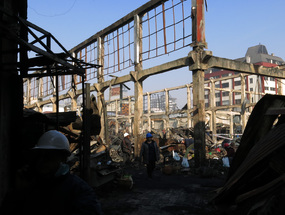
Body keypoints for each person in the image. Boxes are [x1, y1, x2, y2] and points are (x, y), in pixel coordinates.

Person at [0, 130, 103, 215]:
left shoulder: (78, 190)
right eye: (39, 156)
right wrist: (17, 193)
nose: (42, 161)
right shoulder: (29, 187)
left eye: (49, 156)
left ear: (62, 158)